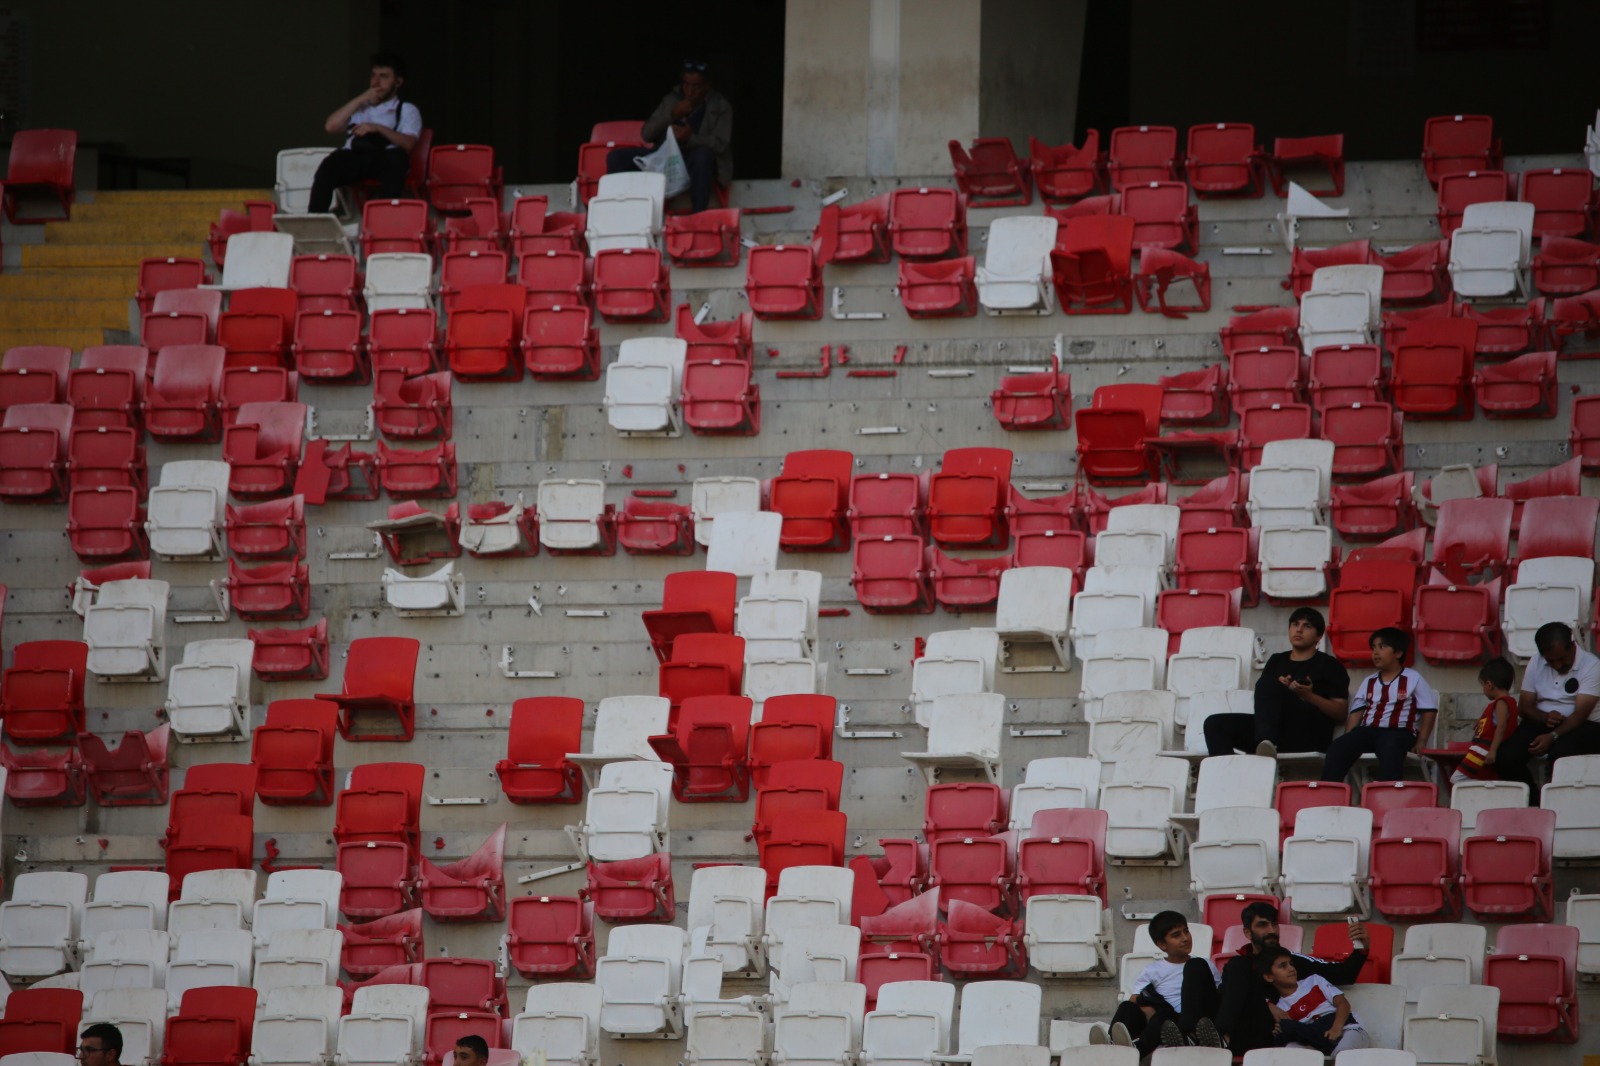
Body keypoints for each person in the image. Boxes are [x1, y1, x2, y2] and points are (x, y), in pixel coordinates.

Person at [1215, 901, 1369, 1056]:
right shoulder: (1238, 966)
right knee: (1205, 965)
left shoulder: (1294, 961)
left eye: (1274, 924)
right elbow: (1226, 1001)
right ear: (1248, 933)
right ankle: (1214, 1037)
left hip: (1277, 1037)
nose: (1271, 930)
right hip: (1240, 1034)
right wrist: (1267, 1005)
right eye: (1262, 925)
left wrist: (1362, 948)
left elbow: (1343, 974)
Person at [1205, 607, 1349, 758]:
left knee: (1268, 684)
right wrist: (1280, 689)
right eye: (1295, 624)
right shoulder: (1276, 661)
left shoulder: (1330, 665)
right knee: (1215, 724)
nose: (1299, 630)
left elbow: (1340, 713)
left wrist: (1308, 695)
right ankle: (1226, 774)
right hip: (1276, 731)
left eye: (1307, 626)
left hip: (1310, 734)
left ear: (1318, 636)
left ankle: (1266, 742)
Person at [607, 60, 733, 214]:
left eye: (696, 86)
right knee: (616, 157)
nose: (690, 91)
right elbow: (647, 134)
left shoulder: (720, 106)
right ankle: (620, 212)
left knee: (703, 156)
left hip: (693, 161)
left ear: (708, 86)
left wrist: (690, 138)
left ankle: (698, 215)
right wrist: (672, 115)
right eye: (686, 84)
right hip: (665, 158)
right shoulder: (672, 99)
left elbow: (720, 143)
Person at [308, 52, 423, 214]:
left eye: (383, 77)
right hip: (356, 156)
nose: (376, 82)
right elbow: (331, 126)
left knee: (398, 159)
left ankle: (382, 222)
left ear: (398, 82)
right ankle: (314, 220)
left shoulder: (406, 109)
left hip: (384, 158)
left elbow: (409, 143)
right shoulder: (360, 106)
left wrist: (377, 128)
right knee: (330, 164)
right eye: (373, 76)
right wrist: (361, 98)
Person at [1320, 627, 1438, 783]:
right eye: (1373, 648)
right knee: (1339, 746)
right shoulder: (1369, 681)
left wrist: (1422, 741)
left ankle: (1386, 792)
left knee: (1390, 747)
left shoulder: (1413, 678)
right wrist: (1349, 738)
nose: (1375, 652)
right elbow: (1356, 714)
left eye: (1382, 647)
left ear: (1398, 653)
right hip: (1369, 732)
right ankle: (1330, 789)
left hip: (1399, 732)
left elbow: (1429, 710)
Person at [1494, 621, 1600, 790]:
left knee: (1560, 755)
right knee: (1506, 756)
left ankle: (1555, 800)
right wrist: (1544, 717)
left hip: (1582, 725)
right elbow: (1525, 707)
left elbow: (1581, 714)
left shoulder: (1592, 665)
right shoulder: (1536, 661)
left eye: (1561, 659)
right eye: (1551, 661)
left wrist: (1553, 736)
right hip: (1542, 721)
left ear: (1572, 647)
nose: (1557, 665)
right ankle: (1531, 799)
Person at [1106, 910, 1224, 1053]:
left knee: (1163, 1015)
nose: (1185, 938)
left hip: (1197, 1020)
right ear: (1162, 944)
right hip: (1169, 1023)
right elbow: (1135, 1000)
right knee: (1128, 1007)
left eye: (1186, 931)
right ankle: (1109, 1043)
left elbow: (1216, 995)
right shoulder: (1152, 970)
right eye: (1176, 935)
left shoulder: (1205, 965)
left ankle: (1138, 1050)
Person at [1257, 945, 1371, 1056]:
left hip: (1346, 1028)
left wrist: (1336, 1028)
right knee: (1290, 1048)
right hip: (1316, 1040)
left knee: (1342, 1054)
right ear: (1269, 977)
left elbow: (1343, 1003)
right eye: (1283, 966)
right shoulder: (1280, 1009)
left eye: (1291, 964)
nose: (1291, 968)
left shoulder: (1314, 981)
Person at [1452, 656, 1517, 783]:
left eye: (1482, 685)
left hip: (1483, 749)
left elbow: (1501, 726)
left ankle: (1485, 790)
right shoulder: (1506, 702)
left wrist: (1492, 751)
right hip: (1484, 748)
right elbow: (1495, 722)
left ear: (1489, 685)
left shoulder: (1502, 703)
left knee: (1457, 779)